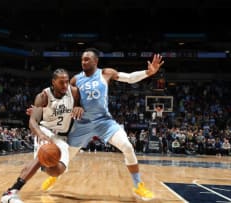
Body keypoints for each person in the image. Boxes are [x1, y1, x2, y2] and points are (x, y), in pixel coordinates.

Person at [43, 48, 164, 201]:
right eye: (82, 59)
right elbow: (66, 99)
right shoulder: (75, 79)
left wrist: (149, 72)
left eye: (87, 59)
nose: (83, 62)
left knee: (127, 146)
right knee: (67, 155)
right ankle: (55, 177)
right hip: (83, 124)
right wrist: (74, 106)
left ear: (96, 61)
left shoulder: (106, 73)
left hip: (104, 122)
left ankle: (139, 186)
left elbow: (129, 78)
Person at [1, 68, 83, 203]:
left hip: (62, 137)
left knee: (57, 171)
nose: (64, 85)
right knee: (45, 152)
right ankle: (11, 192)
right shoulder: (43, 96)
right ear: (53, 82)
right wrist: (40, 134)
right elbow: (33, 121)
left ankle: (43, 164)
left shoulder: (73, 92)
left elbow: (79, 105)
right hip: (46, 130)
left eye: (67, 82)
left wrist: (79, 107)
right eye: (61, 82)